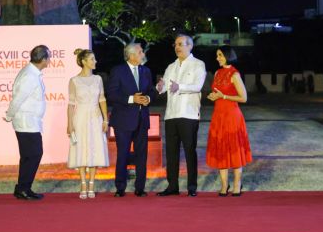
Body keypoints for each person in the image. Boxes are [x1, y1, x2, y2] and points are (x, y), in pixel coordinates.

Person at [156, 34, 207, 197]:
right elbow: (163, 88)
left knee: (189, 151)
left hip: (189, 114)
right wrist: (160, 86)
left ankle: (192, 186)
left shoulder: (198, 64)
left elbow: (197, 86)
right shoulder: (171, 66)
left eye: (180, 44)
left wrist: (180, 86)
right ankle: (172, 186)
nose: (177, 47)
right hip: (171, 114)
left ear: (189, 46)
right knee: (171, 152)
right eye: (175, 44)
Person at [106, 43, 158, 197]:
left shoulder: (146, 71)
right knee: (123, 153)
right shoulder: (118, 71)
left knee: (142, 154)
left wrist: (148, 98)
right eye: (141, 52)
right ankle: (120, 187)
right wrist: (131, 99)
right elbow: (112, 94)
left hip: (142, 119)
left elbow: (151, 91)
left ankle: (140, 188)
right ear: (131, 55)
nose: (143, 54)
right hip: (123, 121)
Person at [3, 45, 51, 200]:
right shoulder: (30, 75)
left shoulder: (32, 73)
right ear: (43, 59)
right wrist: (9, 115)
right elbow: (18, 98)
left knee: (28, 156)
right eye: (48, 57)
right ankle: (23, 188)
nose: (49, 60)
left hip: (29, 121)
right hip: (26, 121)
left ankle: (23, 188)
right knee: (34, 154)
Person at [206, 45, 253, 196]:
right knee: (221, 150)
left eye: (220, 55)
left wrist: (223, 96)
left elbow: (244, 98)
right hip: (218, 115)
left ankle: (237, 183)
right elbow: (217, 93)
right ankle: (224, 185)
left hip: (232, 116)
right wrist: (214, 97)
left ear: (227, 55)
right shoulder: (218, 73)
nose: (217, 58)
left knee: (234, 149)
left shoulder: (234, 74)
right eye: (217, 55)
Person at [66, 48, 109, 199]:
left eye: (94, 59)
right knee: (82, 149)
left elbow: (102, 99)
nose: (95, 61)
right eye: (92, 59)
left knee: (94, 148)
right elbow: (71, 105)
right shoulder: (74, 81)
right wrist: (69, 124)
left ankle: (92, 183)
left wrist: (105, 119)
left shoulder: (98, 79)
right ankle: (83, 183)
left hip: (95, 117)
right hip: (81, 117)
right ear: (84, 61)